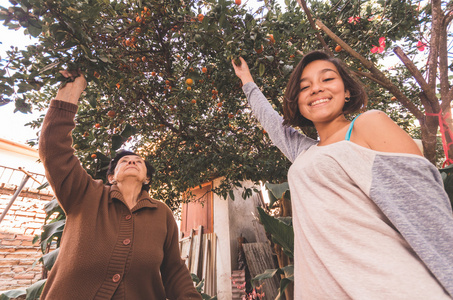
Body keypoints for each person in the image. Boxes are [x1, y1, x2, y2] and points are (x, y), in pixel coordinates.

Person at [232, 51, 453, 299]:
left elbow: (427, 210)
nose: (316, 89)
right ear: (297, 101)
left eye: (327, 79)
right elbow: (271, 121)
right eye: (305, 87)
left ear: (346, 91)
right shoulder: (304, 153)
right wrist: (246, 79)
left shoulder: (368, 124)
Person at [38, 70, 202, 299]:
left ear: (147, 179)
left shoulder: (161, 213)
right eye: (124, 161)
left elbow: (174, 270)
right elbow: (54, 150)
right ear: (112, 177)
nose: (132, 161)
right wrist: (72, 90)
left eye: (139, 161)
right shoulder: (85, 194)